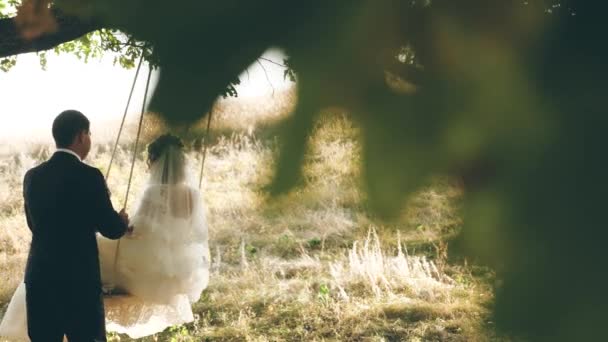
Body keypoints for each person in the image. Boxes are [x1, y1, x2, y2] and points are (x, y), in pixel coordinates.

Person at [0, 110, 130, 341]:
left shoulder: (32, 176)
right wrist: (121, 221)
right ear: (81, 136)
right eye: (89, 133)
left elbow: (33, 224)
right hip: (79, 280)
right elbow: (111, 229)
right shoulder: (89, 176)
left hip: (40, 277)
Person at [97, 133, 210, 338]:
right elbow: (196, 233)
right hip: (179, 265)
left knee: (98, 244)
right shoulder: (193, 195)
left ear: (155, 162)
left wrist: (124, 224)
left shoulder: (153, 192)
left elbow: (138, 229)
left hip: (149, 265)